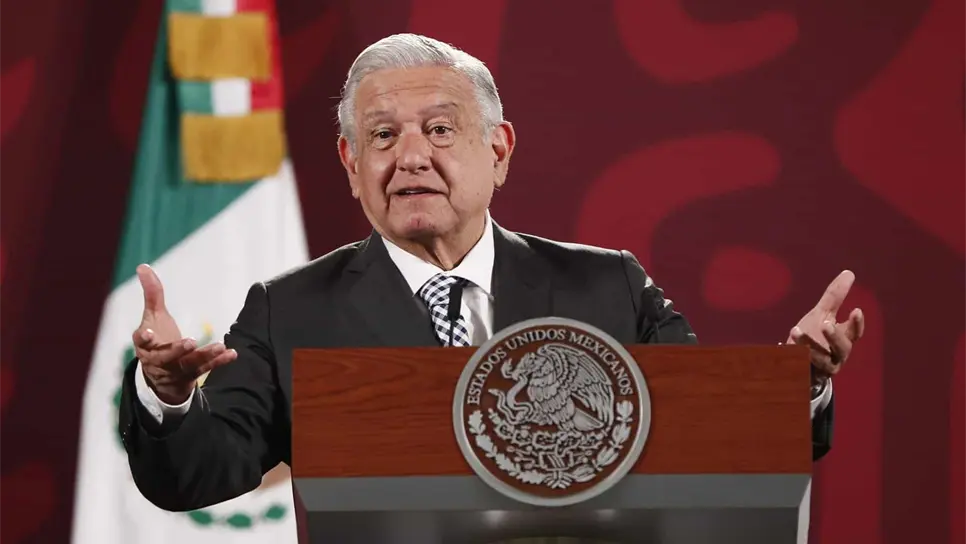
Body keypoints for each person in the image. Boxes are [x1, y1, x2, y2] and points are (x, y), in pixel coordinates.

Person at [118, 33, 864, 512]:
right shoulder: (291, 310)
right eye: (382, 137)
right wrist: (169, 398)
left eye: (440, 129)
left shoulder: (606, 287)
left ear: (499, 150)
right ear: (352, 164)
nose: (410, 156)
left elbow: (709, 440)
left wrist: (797, 388)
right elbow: (199, 476)